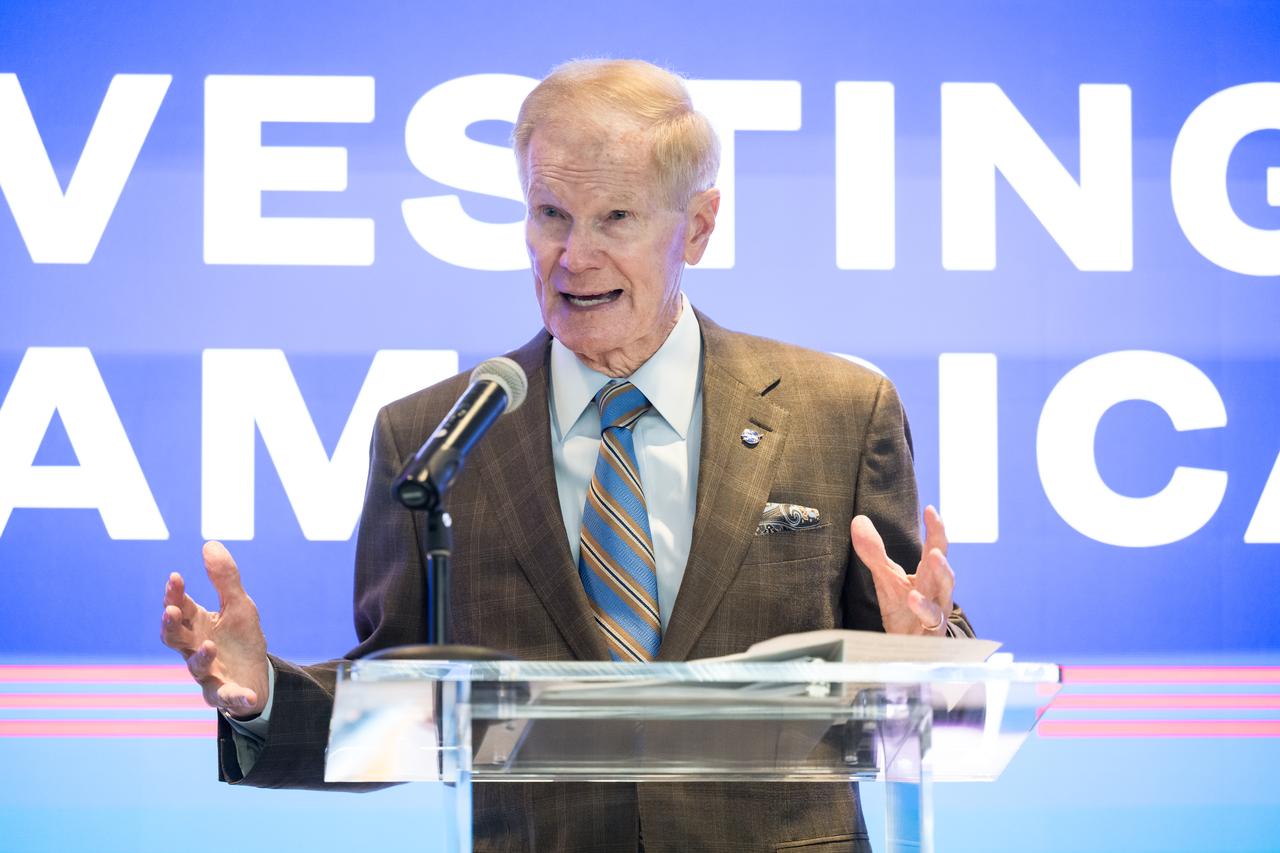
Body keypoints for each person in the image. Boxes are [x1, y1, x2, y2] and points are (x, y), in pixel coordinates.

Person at [160, 58, 973, 853]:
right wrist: (265, 695)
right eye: (551, 213)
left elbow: (924, 680)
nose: (574, 256)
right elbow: (407, 708)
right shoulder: (433, 441)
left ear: (697, 223)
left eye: (615, 218)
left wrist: (931, 650)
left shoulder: (838, 410)